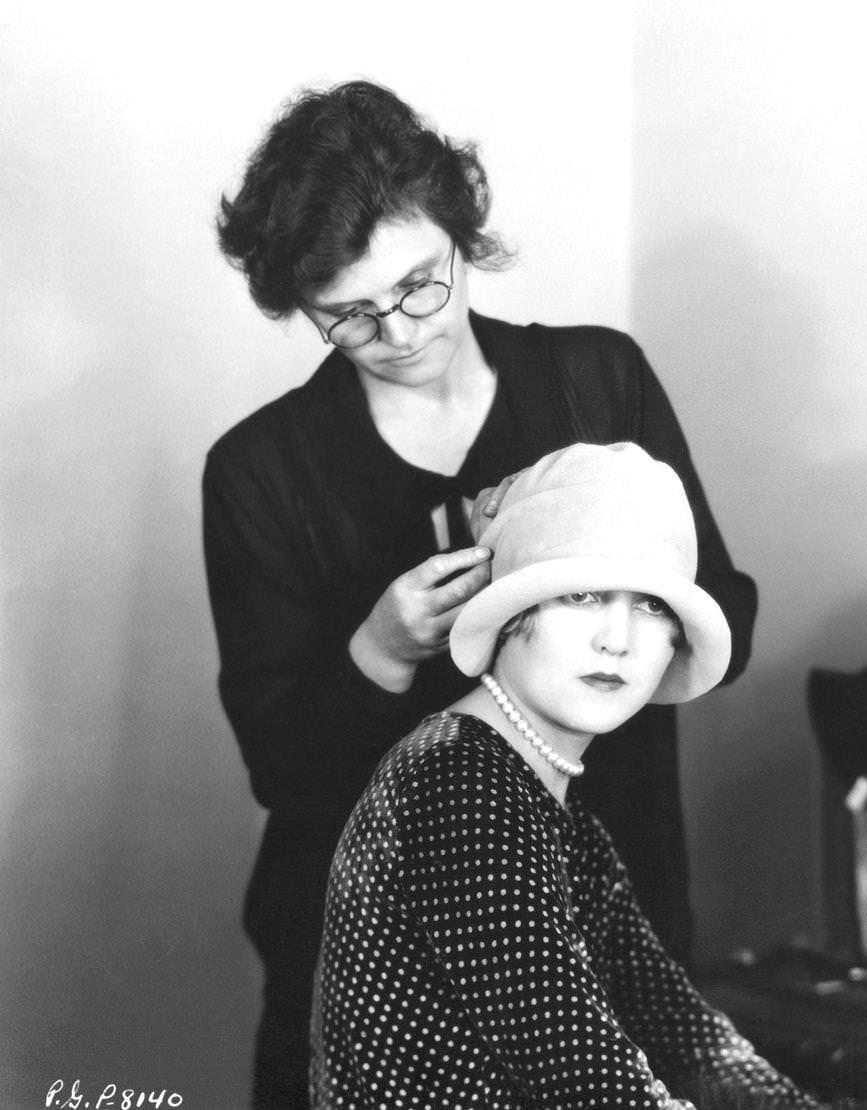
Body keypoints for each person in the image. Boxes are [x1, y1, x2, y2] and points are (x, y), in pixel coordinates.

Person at [203, 80, 757, 1110]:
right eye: (351, 318)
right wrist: (379, 648)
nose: (402, 332)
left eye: (422, 285)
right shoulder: (261, 471)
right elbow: (281, 767)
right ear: (304, 309)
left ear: (463, 237)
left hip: (606, 909)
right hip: (370, 965)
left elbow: (727, 611)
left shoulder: (598, 381)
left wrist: (603, 601)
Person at [311, 442, 815, 1109]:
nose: (618, 637)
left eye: (652, 606)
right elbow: (586, 1078)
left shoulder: (554, 808)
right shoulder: (459, 784)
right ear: (514, 609)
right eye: (582, 594)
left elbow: (688, 1038)